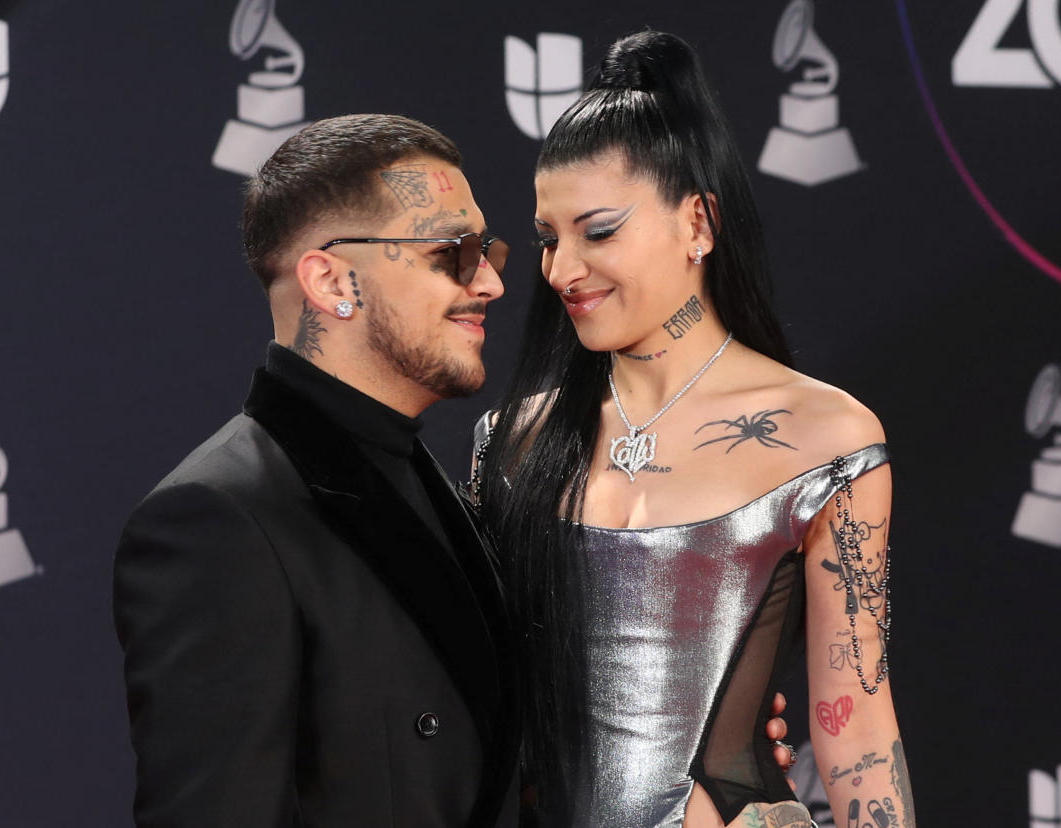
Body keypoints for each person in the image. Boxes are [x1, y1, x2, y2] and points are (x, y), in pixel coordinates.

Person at [476, 31, 916, 828]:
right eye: (549, 237)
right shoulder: (511, 443)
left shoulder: (827, 437)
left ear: (699, 224)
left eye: (599, 230)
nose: (563, 270)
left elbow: (857, 726)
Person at [112, 114, 521, 827]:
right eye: (451, 251)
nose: (488, 282)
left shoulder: (427, 482)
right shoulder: (219, 520)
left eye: (486, 250)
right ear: (332, 280)